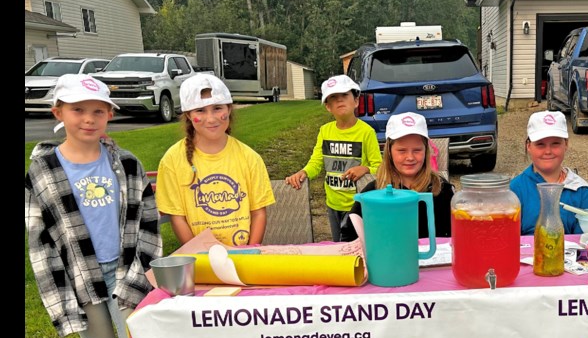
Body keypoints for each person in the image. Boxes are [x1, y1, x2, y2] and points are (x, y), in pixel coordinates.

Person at [25, 74, 162, 338]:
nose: (89, 119)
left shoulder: (128, 164)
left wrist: (147, 267)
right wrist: (57, 292)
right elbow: (39, 237)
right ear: (58, 113)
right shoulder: (43, 172)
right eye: (78, 110)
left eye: (98, 111)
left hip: (126, 269)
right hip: (79, 276)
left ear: (110, 115)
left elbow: (149, 220)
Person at [155, 73, 275, 246]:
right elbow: (177, 217)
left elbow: (258, 213)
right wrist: (197, 253)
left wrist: (248, 252)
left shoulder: (250, 158)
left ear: (229, 109)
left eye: (217, 108)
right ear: (188, 115)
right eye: (200, 110)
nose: (210, 119)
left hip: (243, 256)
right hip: (200, 258)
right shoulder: (172, 160)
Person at [284, 74, 383, 242]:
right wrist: (304, 172)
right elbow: (316, 162)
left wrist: (365, 169)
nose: (339, 101)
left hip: (358, 204)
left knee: (358, 246)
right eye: (333, 98)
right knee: (338, 245)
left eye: (344, 95)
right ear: (328, 107)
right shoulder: (325, 131)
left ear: (356, 101)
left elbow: (379, 168)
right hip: (332, 203)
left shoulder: (366, 132)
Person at [340, 112, 453, 241]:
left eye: (417, 150)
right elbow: (348, 235)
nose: (410, 157)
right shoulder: (373, 193)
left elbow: (457, 236)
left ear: (426, 151)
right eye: (402, 150)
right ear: (389, 151)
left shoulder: (442, 190)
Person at [509, 110, 588, 235]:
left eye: (555, 144)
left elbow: (586, 242)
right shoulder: (514, 190)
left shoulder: (581, 191)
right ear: (528, 146)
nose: (548, 151)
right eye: (540, 144)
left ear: (566, 144)